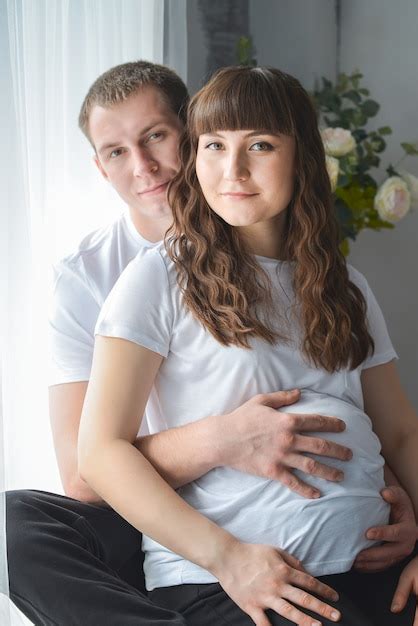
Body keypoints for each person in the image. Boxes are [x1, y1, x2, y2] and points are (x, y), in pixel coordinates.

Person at [6, 61, 416, 625]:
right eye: (216, 146)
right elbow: (93, 459)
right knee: (18, 523)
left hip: (369, 565)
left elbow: (398, 432)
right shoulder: (150, 277)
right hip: (234, 570)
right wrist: (228, 545)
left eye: (262, 146)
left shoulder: (345, 286)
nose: (234, 168)